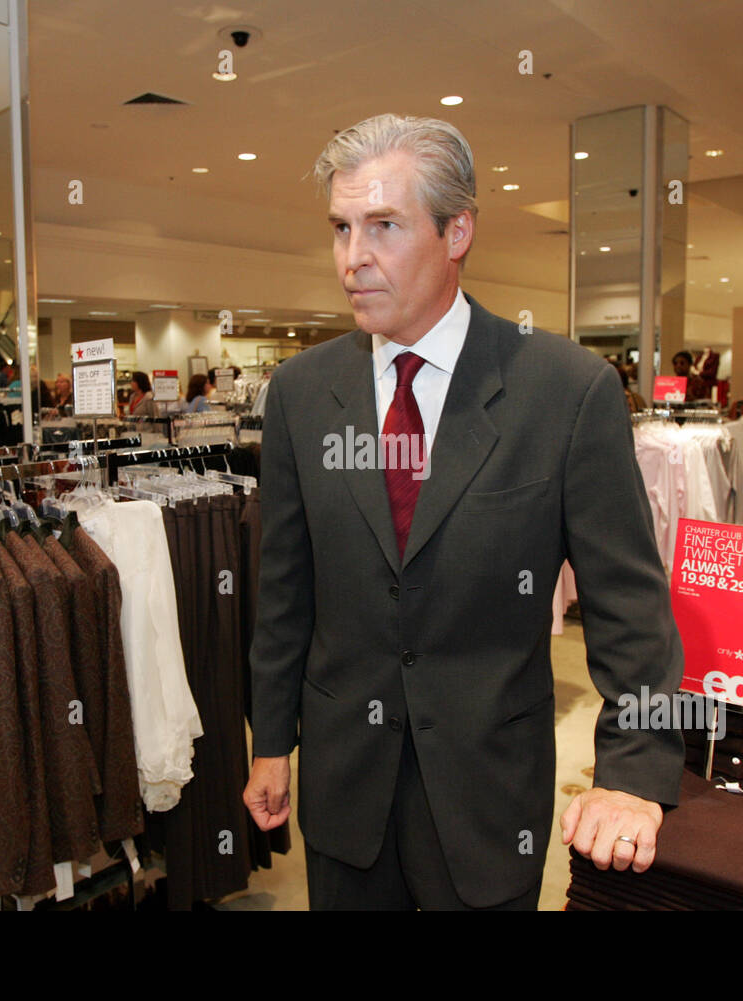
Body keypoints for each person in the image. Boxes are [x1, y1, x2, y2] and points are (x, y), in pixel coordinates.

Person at [243, 114, 684, 911]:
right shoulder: (303, 396)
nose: (352, 259)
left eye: (383, 226)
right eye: (341, 228)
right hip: (346, 791)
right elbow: (284, 590)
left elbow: (629, 604)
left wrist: (633, 770)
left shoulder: (565, 391)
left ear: (457, 232)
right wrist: (271, 742)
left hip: (488, 793)